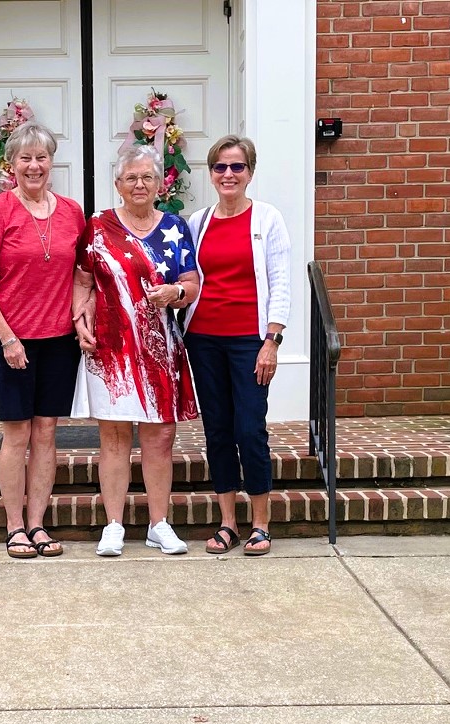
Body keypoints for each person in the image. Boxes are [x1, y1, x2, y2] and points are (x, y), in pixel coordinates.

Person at [0, 122, 90, 559]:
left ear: (51, 162)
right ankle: (15, 527)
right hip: (9, 342)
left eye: (41, 157)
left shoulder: (72, 212)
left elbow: (82, 274)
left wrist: (81, 314)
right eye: (25, 158)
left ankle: (38, 524)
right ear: (11, 165)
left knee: (47, 433)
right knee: (17, 433)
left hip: (58, 342)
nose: (34, 165)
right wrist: (8, 338)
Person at [73, 145, 200, 558]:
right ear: (118, 184)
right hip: (110, 352)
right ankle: (113, 525)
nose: (139, 184)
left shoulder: (176, 227)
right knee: (113, 436)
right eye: (131, 178)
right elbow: (82, 280)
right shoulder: (98, 226)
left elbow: (192, 284)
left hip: (161, 349)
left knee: (160, 437)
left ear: (160, 183)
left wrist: (175, 292)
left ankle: (159, 524)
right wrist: (80, 318)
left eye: (147, 177)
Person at [183, 135, 291, 556]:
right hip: (204, 339)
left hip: (250, 341)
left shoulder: (267, 218)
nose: (228, 174)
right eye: (220, 167)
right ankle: (227, 522)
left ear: (250, 172)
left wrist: (272, 340)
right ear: (211, 173)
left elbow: (280, 281)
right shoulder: (198, 221)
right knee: (218, 430)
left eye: (237, 167)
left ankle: (260, 524)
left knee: (249, 429)